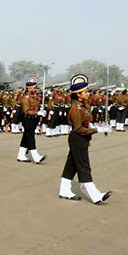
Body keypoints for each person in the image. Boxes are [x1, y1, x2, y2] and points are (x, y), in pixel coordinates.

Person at [58, 74, 112, 204]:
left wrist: (96, 126)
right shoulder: (76, 109)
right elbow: (78, 129)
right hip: (77, 138)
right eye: (85, 92)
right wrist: (97, 130)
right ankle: (95, 195)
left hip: (80, 139)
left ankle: (64, 190)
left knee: (71, 166)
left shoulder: (82, 106)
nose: (88, 94)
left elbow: (85, 123)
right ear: (78, 95)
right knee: (84, 167)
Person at [16, 76, 47, 164]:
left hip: (34, 119)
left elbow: (37, 104)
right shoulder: (26, 98)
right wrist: (37, 113)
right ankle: (36, 156)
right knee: (30, 138)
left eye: (35, 87)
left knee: (26, 137)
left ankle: (21, 155)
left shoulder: (35, 97)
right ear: (28, 88)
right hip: (27, 119)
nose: (35, 89)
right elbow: (26, 111)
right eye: (33, 87)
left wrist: (41, 109)